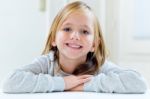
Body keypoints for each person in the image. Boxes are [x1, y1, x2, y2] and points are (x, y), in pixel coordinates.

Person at [2, 1, 148, 93]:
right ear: (53, 38)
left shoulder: (98, 66)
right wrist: (63, 83)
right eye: (67, 29)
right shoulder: (47, 63)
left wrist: (86, 85)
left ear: (94, 45)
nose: (75, 36)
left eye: (84, 31)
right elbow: (10, 82)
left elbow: (138, 83)